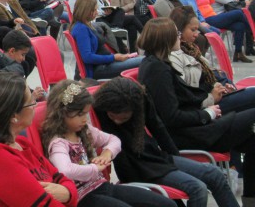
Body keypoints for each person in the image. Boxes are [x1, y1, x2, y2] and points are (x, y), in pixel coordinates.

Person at [137, 17, 255, 206]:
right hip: (193, 133)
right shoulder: (157, 70)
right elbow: (171, 117)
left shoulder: (158, 64)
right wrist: (207, 113)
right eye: (176, 34)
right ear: (166, 38)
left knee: (253, 140)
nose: (179, 37)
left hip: (198, 126)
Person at [93, 77, 240, 207]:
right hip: (138, 168)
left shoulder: (139, 99)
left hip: (156, 157)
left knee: (215, 174)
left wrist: (175, 157)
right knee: (197, 188)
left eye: (124, 118)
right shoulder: (102, 107)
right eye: (112, 116)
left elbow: (158, 127)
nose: (117, 121)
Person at [42, 80, 176, 207]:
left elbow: (114, 140)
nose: (84, 120)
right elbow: (65, 170)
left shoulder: (85, 131)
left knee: (166, 204)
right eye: (80, 114)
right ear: (62, 113)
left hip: (101, 186)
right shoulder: (58, 143)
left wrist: (107, 153)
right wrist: (95, 168)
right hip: (82, 197)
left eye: (86, 114)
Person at [0, 72, 78, 207]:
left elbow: (61, 178)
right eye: (30, 102)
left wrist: (68, 193)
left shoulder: (22, 143)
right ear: (13, 116)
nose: (35, 105)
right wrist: (69, 194)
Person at [169, 6, 255, 113]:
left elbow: (208, 77)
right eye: (193, 30)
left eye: (197, 29)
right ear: (179, 30)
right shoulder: (174, 56)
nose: (197, 34)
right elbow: (186, 96)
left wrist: (222, 87)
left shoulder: (191, 49)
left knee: (240, 24)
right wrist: (211, 97)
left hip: (213, 98)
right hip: (206, 106)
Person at [70, 0, 142, 80]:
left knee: (145, 61)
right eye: (94, 10)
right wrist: (114, 57)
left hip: (104, 64)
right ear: (86, 11)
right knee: (144, 61)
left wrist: (114, 57)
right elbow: (87, 57)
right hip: (100, 68)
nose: (97, 12)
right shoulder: (81, 29)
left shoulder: (84, 26)